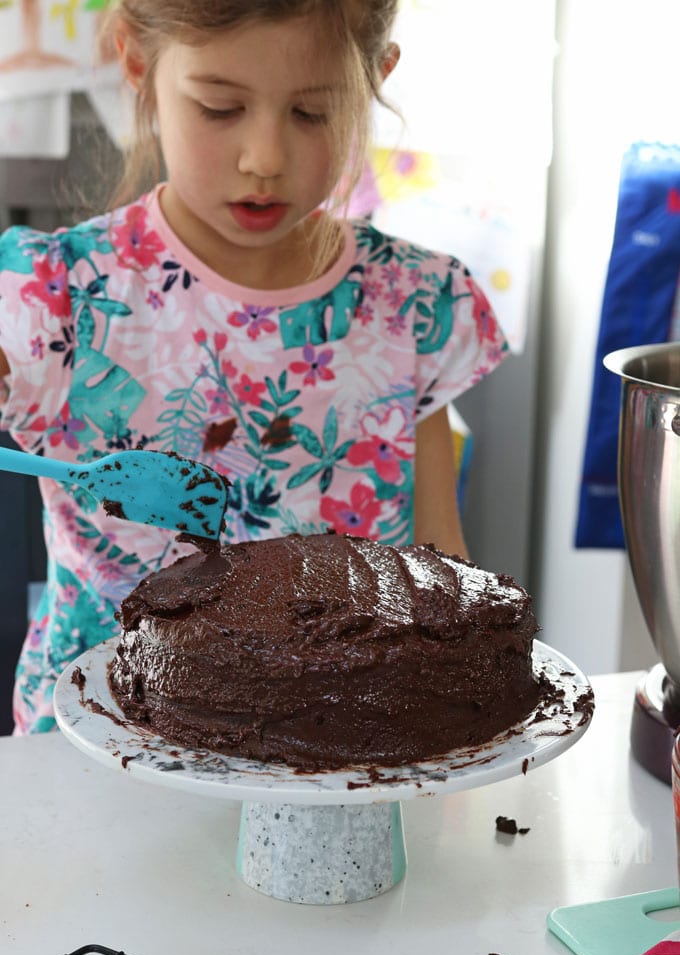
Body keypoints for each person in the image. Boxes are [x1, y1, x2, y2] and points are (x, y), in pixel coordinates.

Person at [0, 0, 509, 735]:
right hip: (100, 745)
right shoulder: (59, 297)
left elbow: (439, 568)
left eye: (311, 112)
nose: (264, 157)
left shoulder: (414, 307)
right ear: (139, 63)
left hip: (343, 752)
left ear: (373, 80)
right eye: (220, 107)